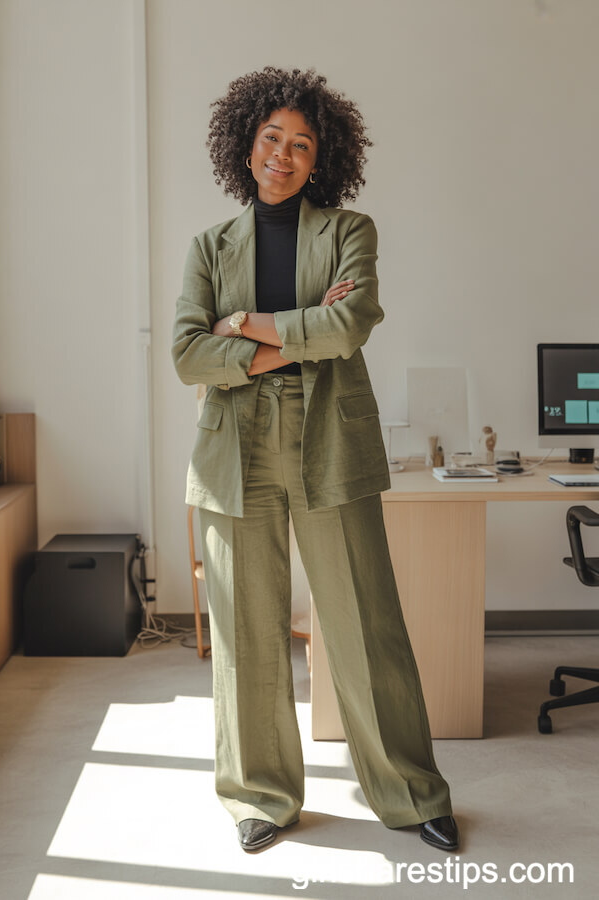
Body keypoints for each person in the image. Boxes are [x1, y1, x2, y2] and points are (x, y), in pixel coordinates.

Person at [172, 66, 459, 854]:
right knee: (245, 631)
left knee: (366, 622)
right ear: (246, 142)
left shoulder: (349, 231)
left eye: (302, 144)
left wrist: (245, 326)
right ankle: (260, 797)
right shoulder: (209, 245)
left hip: (329, 434)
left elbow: (348, 328)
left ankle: (409, 792)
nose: (284, 155)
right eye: (272, 138)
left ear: (321, 158)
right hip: (232, 449)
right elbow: (189, 357)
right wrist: (284, 339)